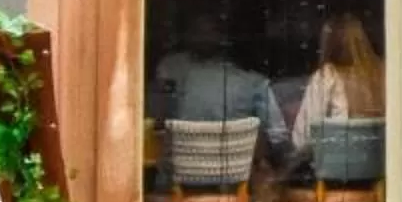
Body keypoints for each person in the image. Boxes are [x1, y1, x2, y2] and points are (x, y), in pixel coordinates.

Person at [151, 11, 290, 161]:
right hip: (236, 176)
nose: (204, 38)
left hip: (181, 175)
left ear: (224, 38)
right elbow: (278, 137)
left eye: (210, 31)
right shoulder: (173, 71)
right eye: (198, 31)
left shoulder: (252, 82)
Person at [289, 12, 385, 158]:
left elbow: (303, 137)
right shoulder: (384, 73)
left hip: (338, 169)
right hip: (380, 167)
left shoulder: (326, 76)